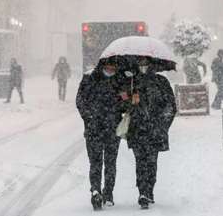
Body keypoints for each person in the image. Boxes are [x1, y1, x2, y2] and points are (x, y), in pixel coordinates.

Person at [121, 57, 177, 209]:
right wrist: (129, 100)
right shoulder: (131, 82)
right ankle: (142, 192)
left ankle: (149, 189)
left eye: (146, 64)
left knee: (151, 162)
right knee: (140, 162)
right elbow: (122, 103)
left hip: (155, 130)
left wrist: (163, 124)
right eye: (140, 64)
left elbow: (171, 106)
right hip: (137, 129)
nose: (143, 67)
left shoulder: (161, 82)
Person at [76, 62, 122, 210]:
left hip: (110, 129)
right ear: (102, 66)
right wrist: (89, 117)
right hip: (95, 129)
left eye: (113, 67)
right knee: (97, 163)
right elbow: (80, 101)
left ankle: (107, 192)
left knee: (109, 163)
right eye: (108, 67)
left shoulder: (119, 80)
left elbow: (124, 105)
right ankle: (96, 191)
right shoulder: (89, 79)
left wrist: (125, 99)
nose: (111, 69)